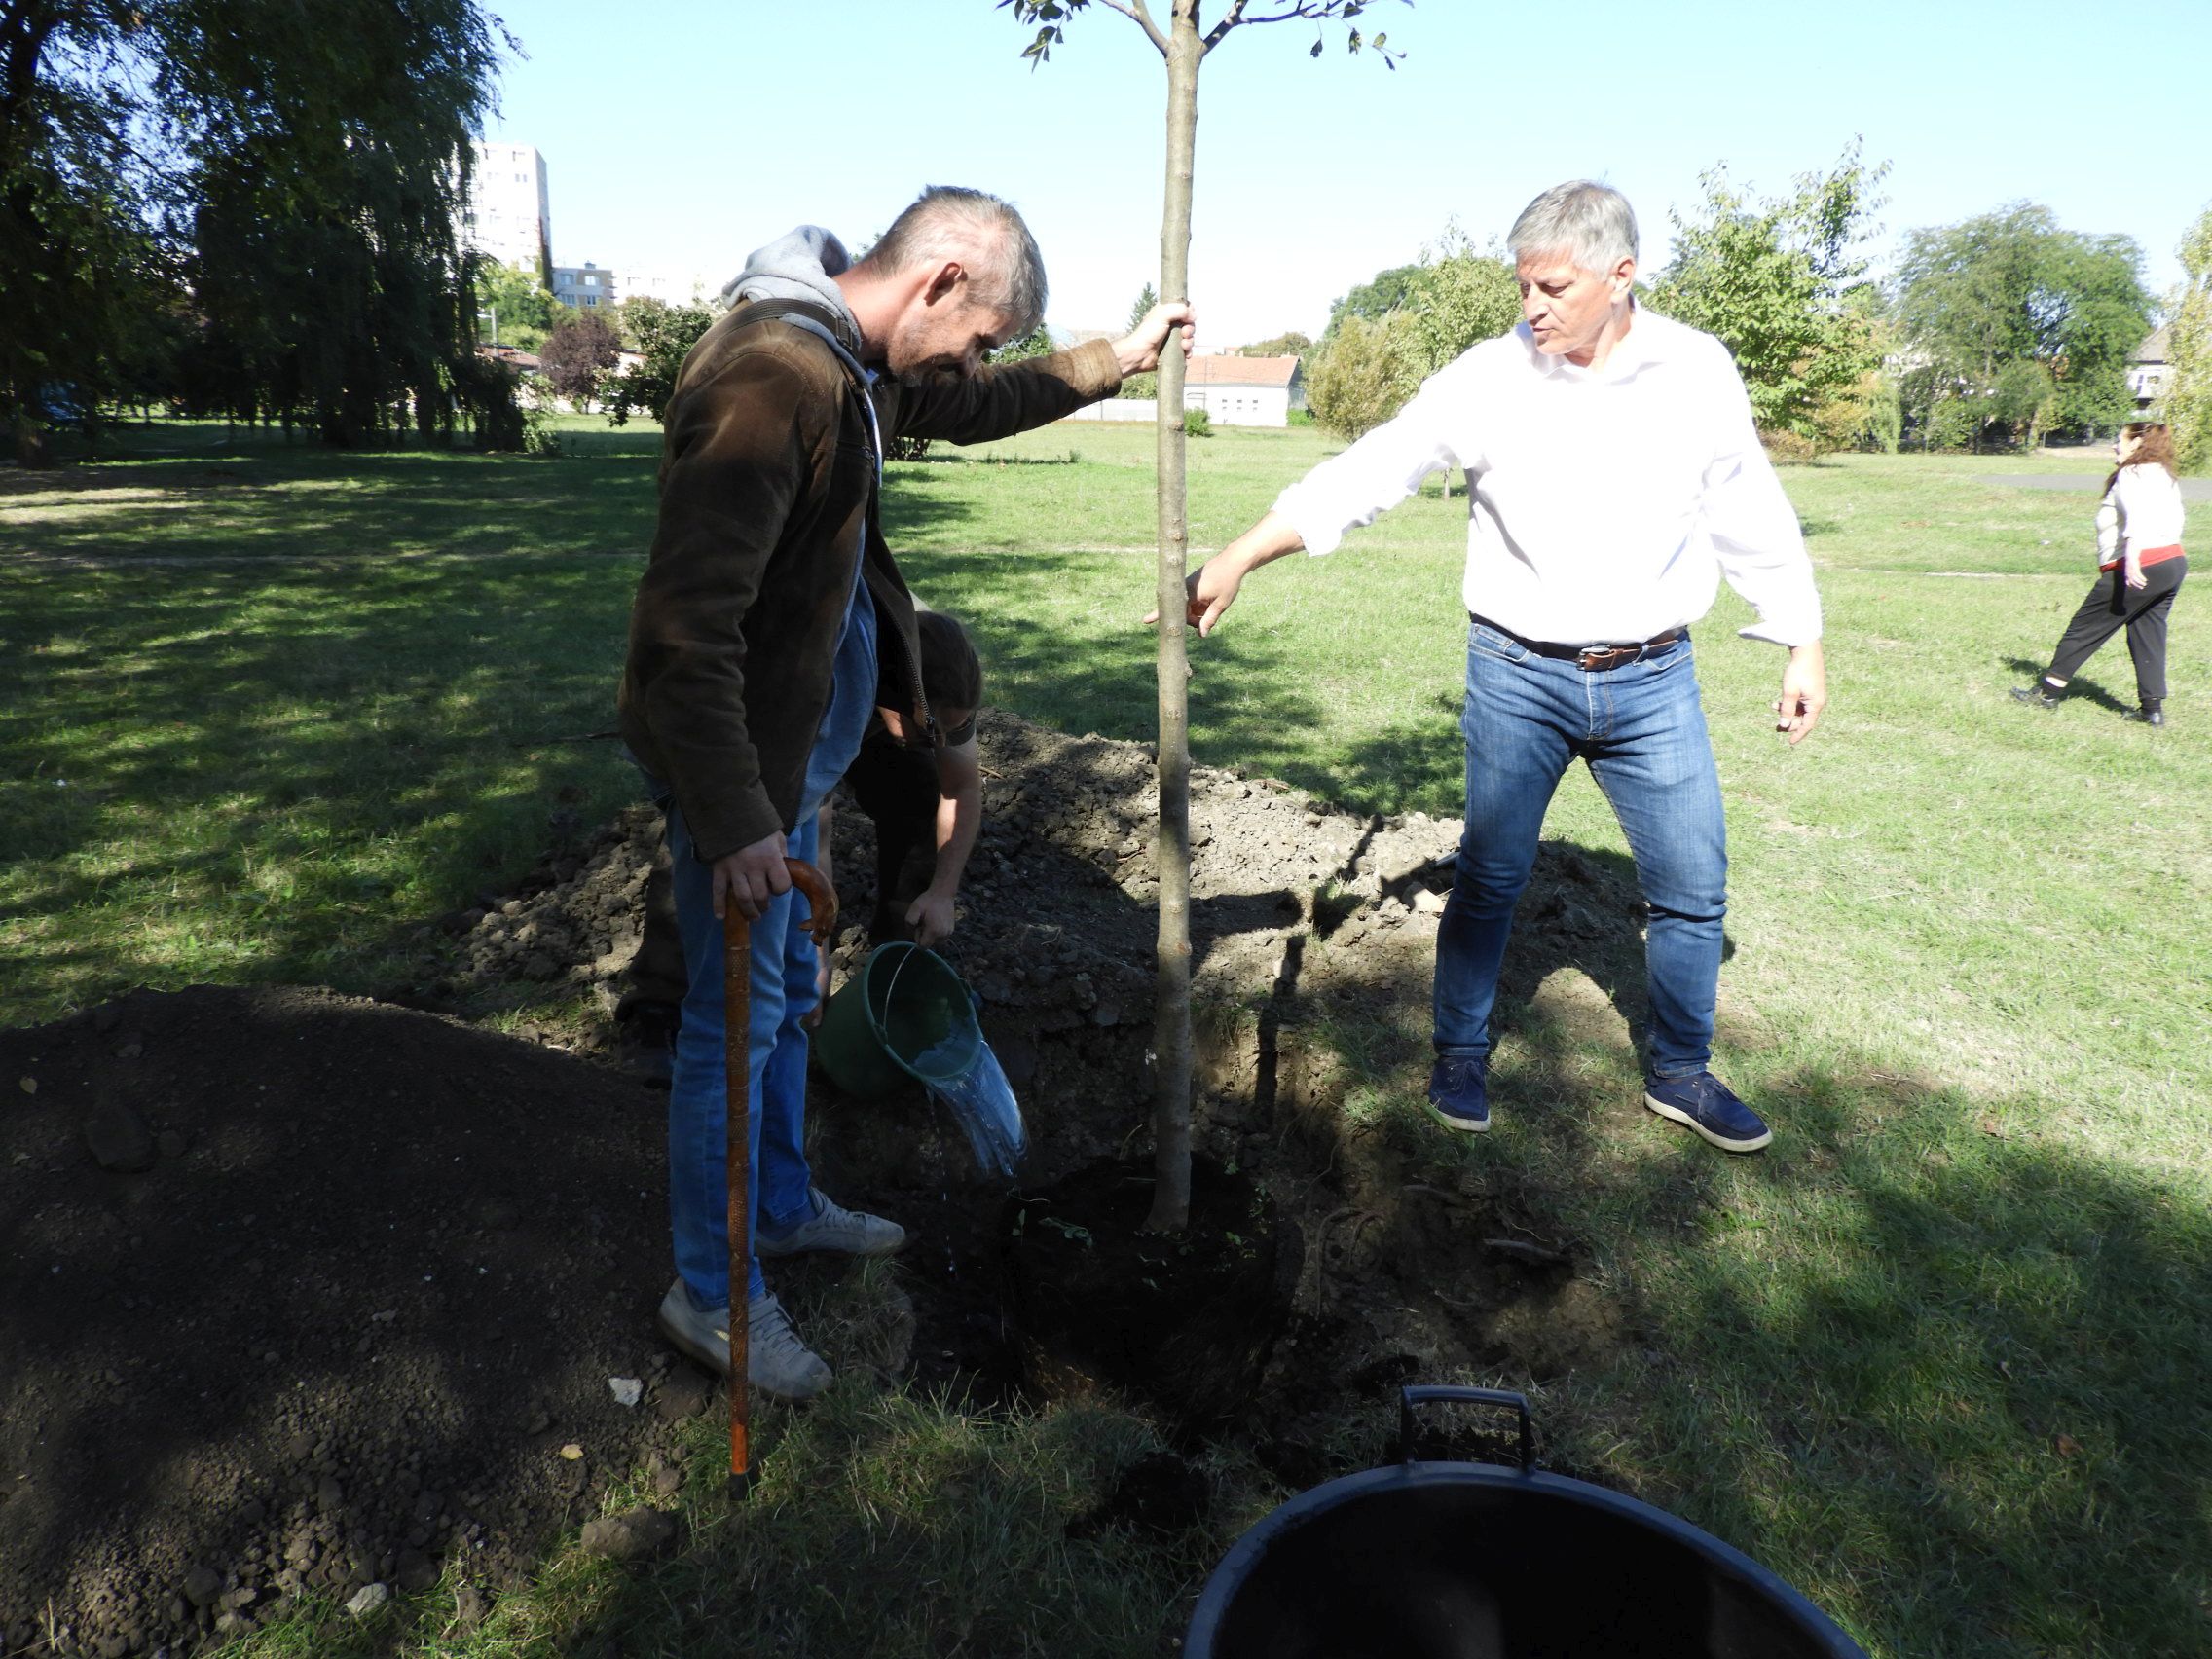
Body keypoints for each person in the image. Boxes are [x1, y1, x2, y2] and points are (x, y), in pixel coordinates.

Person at [617, 185, 1193, 1399]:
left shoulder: (853, 362)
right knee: (729, 1036)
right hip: (745, 787)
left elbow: (981, 400)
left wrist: (1109, 363)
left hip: (791, 770)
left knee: (777, 1007)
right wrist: (734, 823)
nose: (975, 360)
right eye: (980, 329)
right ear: (937, 280)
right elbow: (685, 630)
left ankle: (775, 1208)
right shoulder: (776, 379)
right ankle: (711, 1296)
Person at [1170, 180, 1825, 1153]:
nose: (1533, 308)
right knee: (1491, 876)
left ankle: (1681, 1071)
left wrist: (1798, 635)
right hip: (1518, 672)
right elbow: (1370, 469)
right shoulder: (1488, 377)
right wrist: (1236, 556)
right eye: (1522, 286)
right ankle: (1460, 1051)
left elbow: (1749, 508)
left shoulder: (1695, 372)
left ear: (1620, 274)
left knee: (1693, 885)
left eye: (1553, 288)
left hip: (1653, 680)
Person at [619, 606, 985, 1072]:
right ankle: (657, 1004)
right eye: (934, 729)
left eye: (954, 729)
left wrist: (943, 893)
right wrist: (815, 956)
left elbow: (962, 787)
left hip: (888, 706)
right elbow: (814, 831)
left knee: (919, 795)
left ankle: (901, 970)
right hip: (742, 724)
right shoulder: (829, 688)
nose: (944, 740)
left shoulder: (945, 687)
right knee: (705, 846)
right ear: (897, 701)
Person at [2011, 422, 2188, 726]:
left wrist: (2132, 558)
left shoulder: (2133, 473)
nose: (2114, 446)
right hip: (2172, 563)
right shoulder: (2163, 474)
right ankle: (2152, 710)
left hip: (2140, 562)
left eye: (2120, 440)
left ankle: (2048, 693)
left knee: (2084, 628)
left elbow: (2138, 517)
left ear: (2137, 444)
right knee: (2149, 634)